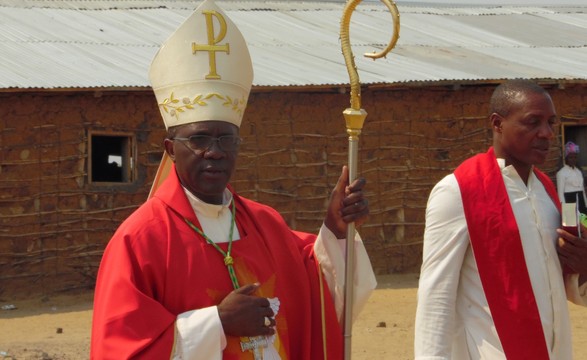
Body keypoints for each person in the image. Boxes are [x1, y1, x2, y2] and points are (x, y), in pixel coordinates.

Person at [90, 0, 376, 359]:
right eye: (198, 139)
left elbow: (314, 295)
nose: (215, 151)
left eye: (226, 139)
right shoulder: (141, 240)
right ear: (170, 148)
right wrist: (217, 324)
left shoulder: (266, 224)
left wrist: (335, 229)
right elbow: (120, 349)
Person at [414, 79, 587, 359]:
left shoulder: (545, 191)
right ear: (497, 124)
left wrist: (583, 266)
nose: (546, 133)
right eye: (533, 122)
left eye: (551, 123)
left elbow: (557, 282)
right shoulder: (458, 190)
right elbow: (436, 295)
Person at [557, 141, 587, 214]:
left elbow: (582, 191)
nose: (573, 159)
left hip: (581, 202)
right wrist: (564, 210)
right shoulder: (561, 173)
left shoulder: (579, 172)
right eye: (571, 157)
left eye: (575, 157)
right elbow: (560, 194)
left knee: (584, 224)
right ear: (566, 158)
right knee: (572, 224)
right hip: (569, 203)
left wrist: (586, 205)